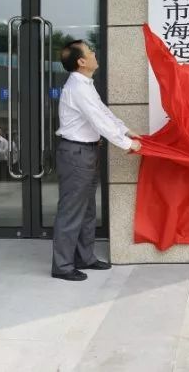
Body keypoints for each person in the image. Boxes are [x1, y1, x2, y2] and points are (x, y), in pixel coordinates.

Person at [52, 40, 141, 282]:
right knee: (71, 211)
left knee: (88, 210)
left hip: (87, 153)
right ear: (81, 61)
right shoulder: (78, 88)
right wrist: (127, 144)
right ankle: (62, 265)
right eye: (90, 51)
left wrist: (125, 130)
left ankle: (85, 257)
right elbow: (98, 121)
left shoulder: (85, 85)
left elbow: (103, 112)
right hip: (76, 154)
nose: (94, 53)